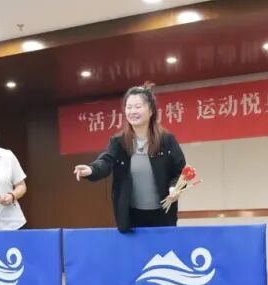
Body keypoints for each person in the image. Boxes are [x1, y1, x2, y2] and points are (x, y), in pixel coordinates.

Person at [73, 83, 186, 232]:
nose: (133, 111)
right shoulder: (118, 141)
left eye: (138, 107)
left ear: (151, 110)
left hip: (163, 215)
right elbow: (106, 161)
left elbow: (181, 171)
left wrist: (174, 188)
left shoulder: (166, 140)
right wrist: (92, 169)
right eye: (129, 107)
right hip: (131, 216)